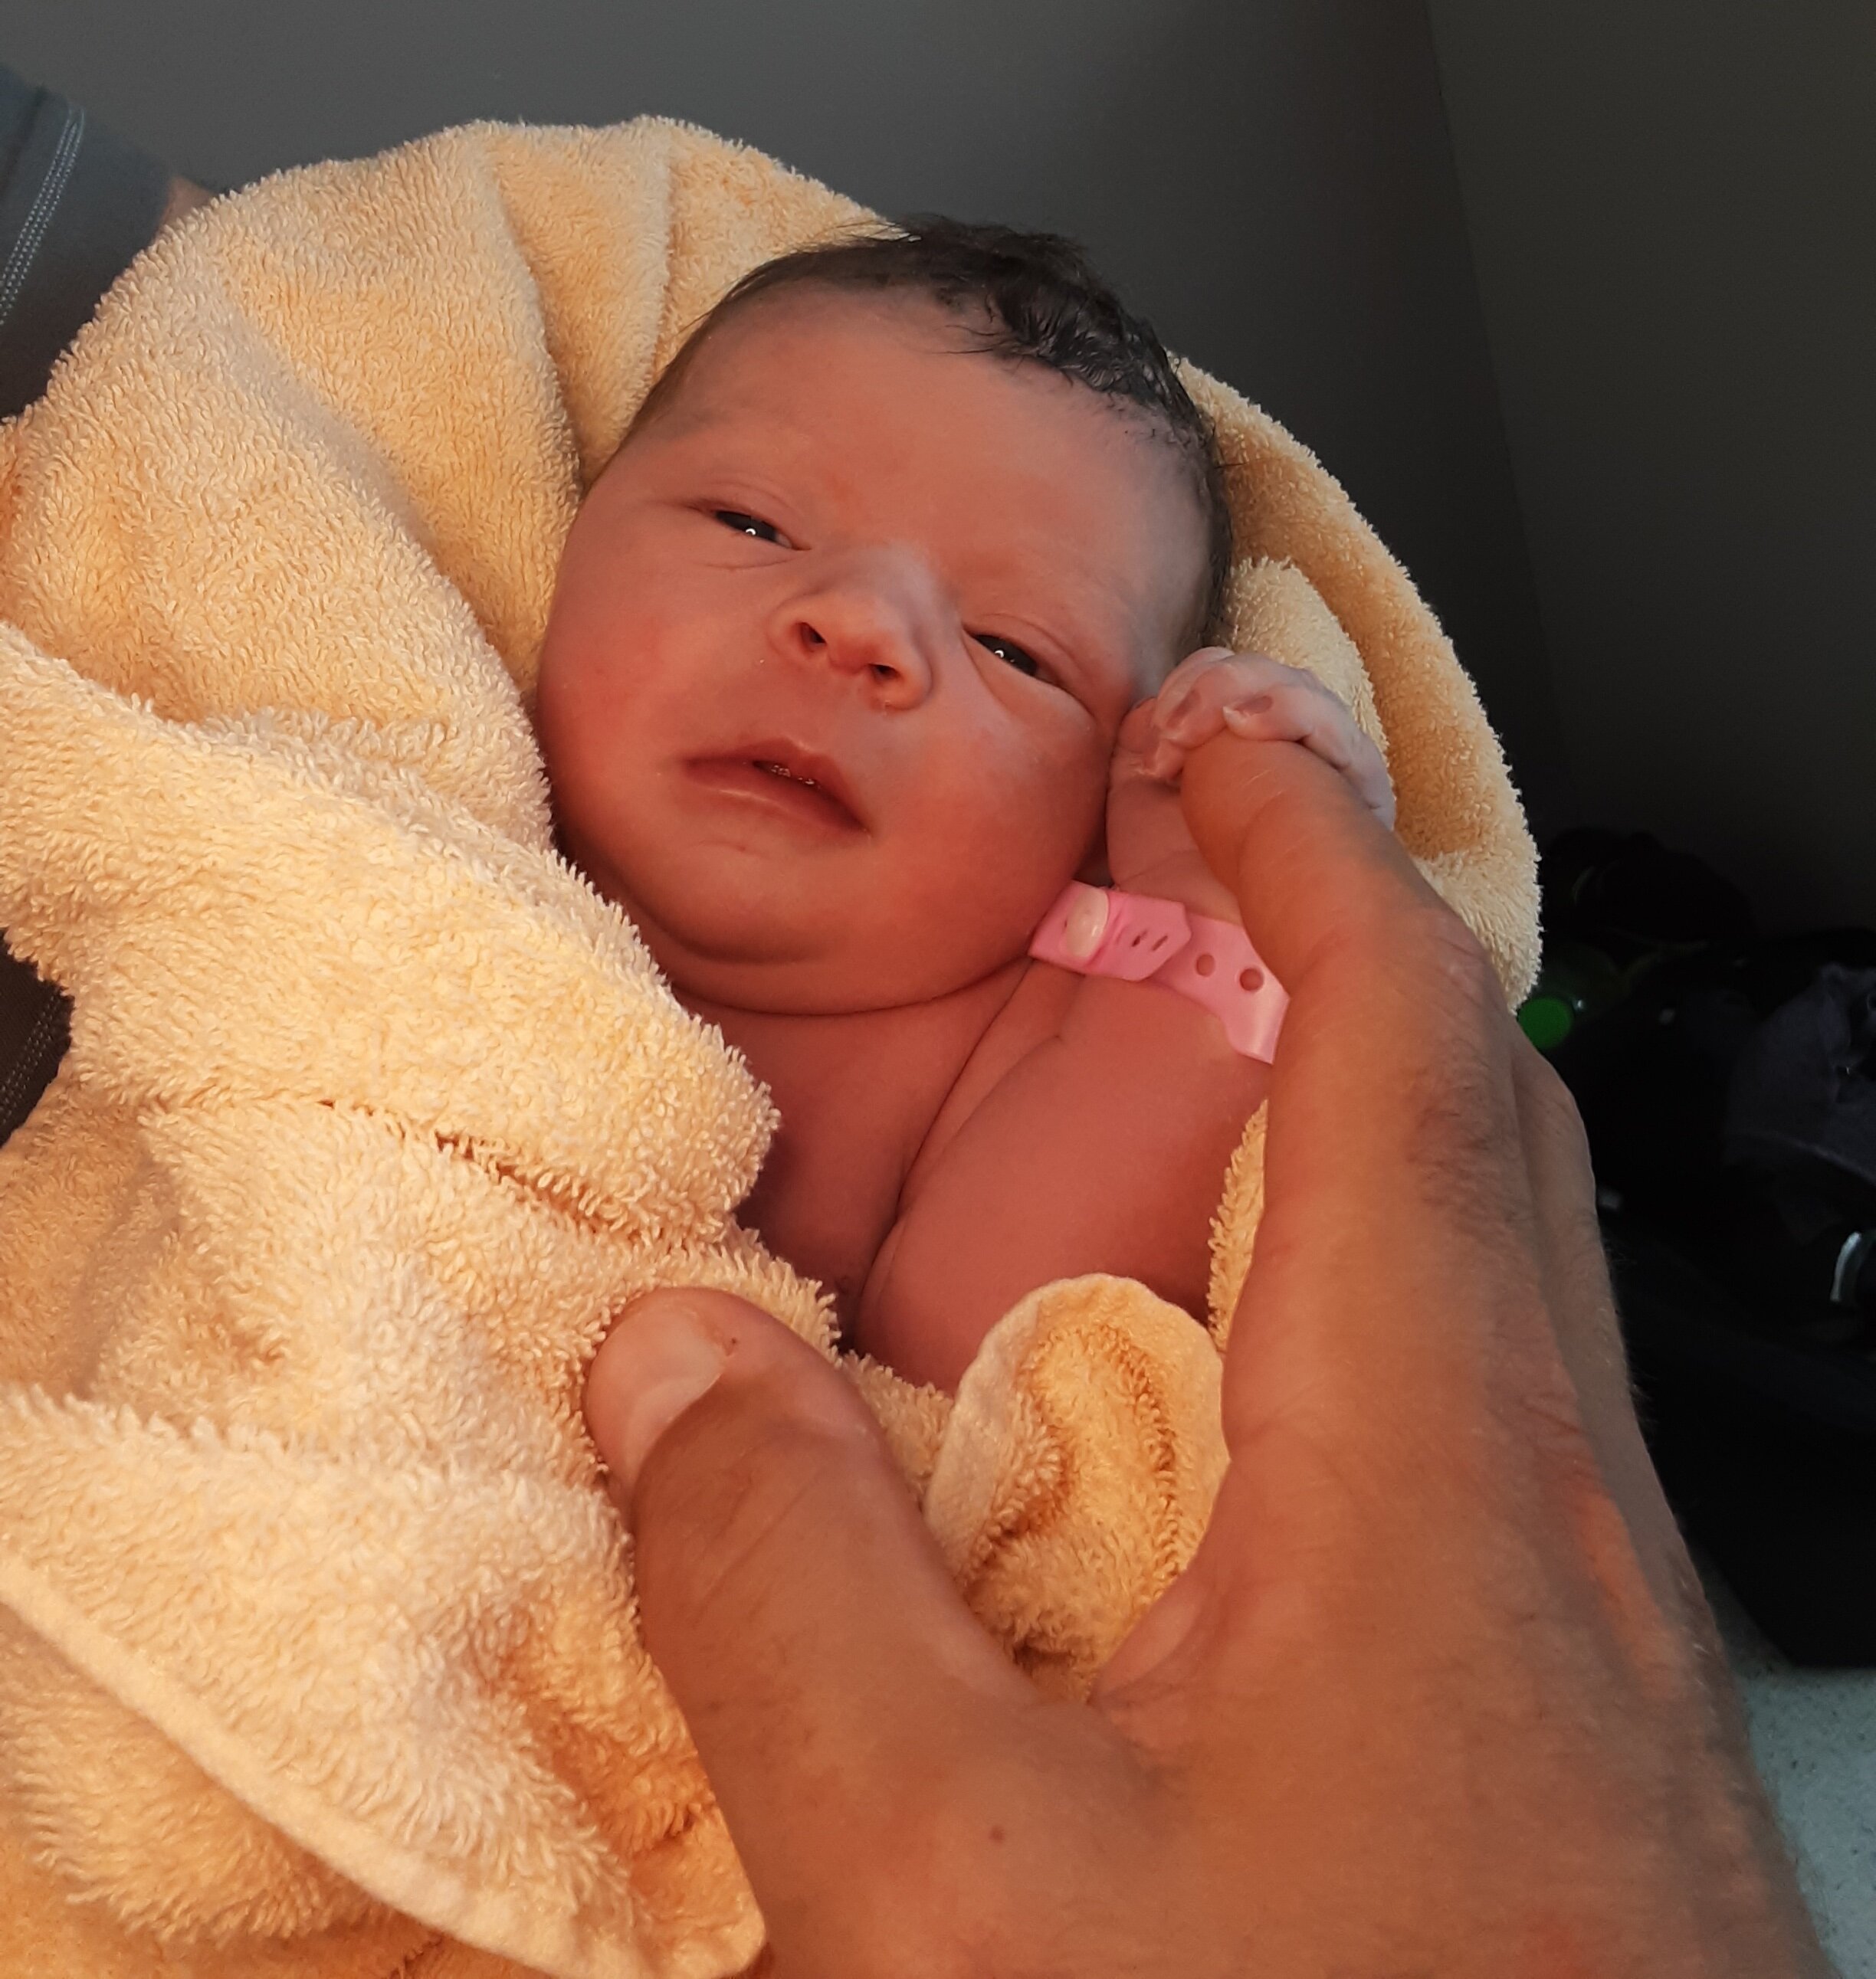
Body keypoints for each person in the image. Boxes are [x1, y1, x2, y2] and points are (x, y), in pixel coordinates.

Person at [0, 67, 1829, 1974]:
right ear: (549, 549)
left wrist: (1206, 917)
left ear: (1099, 803)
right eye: (748, 520)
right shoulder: (390, 816)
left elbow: (982, 1364)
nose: (863, 623)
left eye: (1018, 649)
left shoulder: (986, 1023)